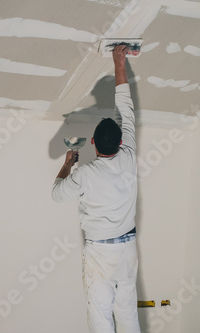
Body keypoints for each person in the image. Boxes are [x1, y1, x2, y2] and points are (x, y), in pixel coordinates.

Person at [52, 45, 141, 333]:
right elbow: (126, 109)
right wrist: (119, 62)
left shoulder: (84, 174)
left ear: (93, 144)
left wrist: (67, 164)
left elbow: (57, 193)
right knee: (127, 312)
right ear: (119, 141)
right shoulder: (128, 155)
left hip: (102, 254)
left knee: (101, 316)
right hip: (127, 249)